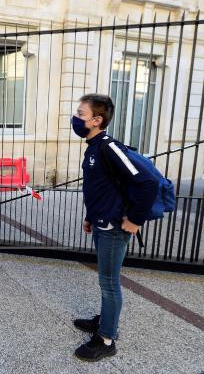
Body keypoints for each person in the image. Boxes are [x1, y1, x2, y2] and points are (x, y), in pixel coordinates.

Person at [71, 93, 158, 362]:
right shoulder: (94, 146)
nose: (75, 118)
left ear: (97, 120)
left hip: (113, 227)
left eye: (80, 114)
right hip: (100, 221)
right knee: (106, 280)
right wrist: (89, 215)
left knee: (109, 283)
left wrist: (134, 220)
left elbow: (148, 183)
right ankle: (103, 319)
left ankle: (106, 339)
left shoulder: (108, 146)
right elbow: (101, 188)